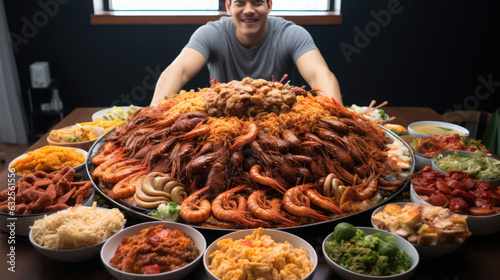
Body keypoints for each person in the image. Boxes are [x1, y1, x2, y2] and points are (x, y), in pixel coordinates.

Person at [150, 0, 342, 106]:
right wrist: (152, 116)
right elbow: (179, 70)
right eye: (240, 2)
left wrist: (339, 119)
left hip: (280, 126)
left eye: (257, 2)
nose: (248, 10)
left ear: (269, 5)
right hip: (220, 128)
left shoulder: (291, 33)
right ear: (228, 6)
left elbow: (320, 75)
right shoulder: (211, 33)